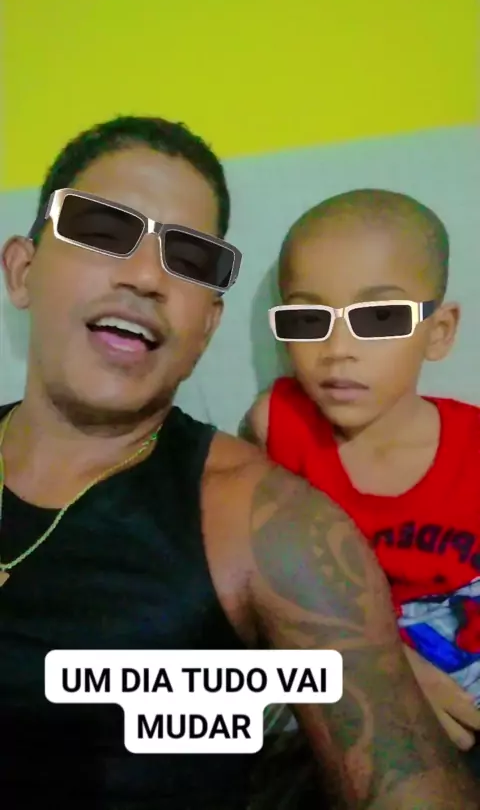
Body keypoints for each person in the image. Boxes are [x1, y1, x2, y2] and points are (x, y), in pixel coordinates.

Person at [0, 119, 476, 810]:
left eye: (190, 259)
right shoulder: (276, 428)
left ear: (209, 323)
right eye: (102, 229)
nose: (146, 276)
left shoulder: (271, 526)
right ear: (22, 270)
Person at [244, 189, 480, 774]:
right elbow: (258, 585)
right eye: (308, 318)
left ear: (439, 331)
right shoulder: (278, 428)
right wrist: (380, 667)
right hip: (349, 681)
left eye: (379, 318)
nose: (338, 349)